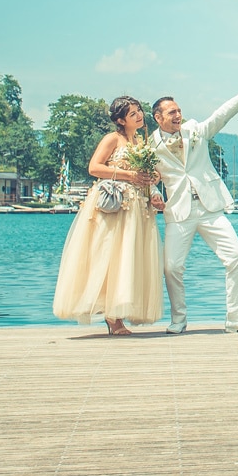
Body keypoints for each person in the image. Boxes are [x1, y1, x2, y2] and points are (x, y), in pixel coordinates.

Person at [151, 78, 238, 334]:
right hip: (179, 211)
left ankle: (236, 319)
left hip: (209, 208)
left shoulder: (194, 129)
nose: (178, 115)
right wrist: (152, 193)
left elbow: (220, 116)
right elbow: (146, 176)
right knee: (171, 267)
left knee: (236, 257)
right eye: (172, 112)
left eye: (179, 111)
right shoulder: (149, 146)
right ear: (158, 117)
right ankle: (178, 320)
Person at [52, 95, 165, 335]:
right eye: (132, 113)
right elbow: (95, 168)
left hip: (137, 206)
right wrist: (129, 176)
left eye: (138, 111)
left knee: (129, 257)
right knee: (111, 256)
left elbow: (151, 173)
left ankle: (119, 313)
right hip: (114, 206)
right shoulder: (112, 139)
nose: (138, 115)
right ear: (121, 120)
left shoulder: (141, 142)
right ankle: (113, 319)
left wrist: (152, 182)